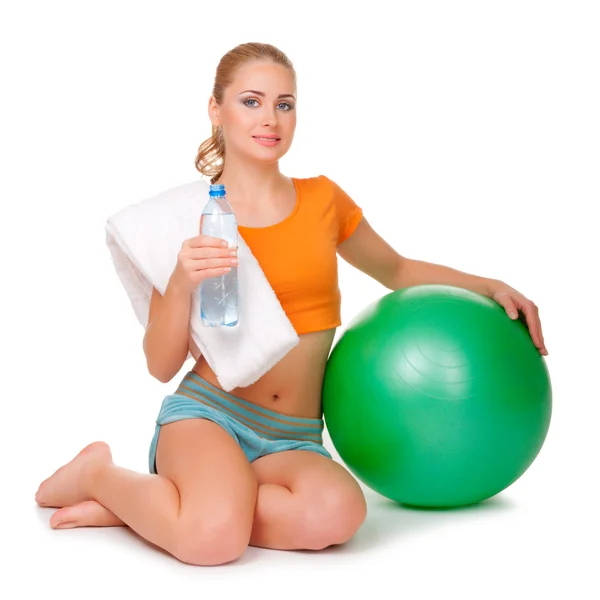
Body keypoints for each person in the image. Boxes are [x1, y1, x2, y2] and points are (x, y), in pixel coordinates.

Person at [35, 42, 548, 566]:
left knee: (339, 516)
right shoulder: (189, 217)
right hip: (211, 416)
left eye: (285, 104)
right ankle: (98, 473)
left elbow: (396, 270)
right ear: (216, 109)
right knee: (212, 543)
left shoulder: (324, 201)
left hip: (295, 437)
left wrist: (490, 285)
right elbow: (160, 365)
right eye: (251, 101)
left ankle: (171, 506)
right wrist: (182, 282)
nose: (271, 119)